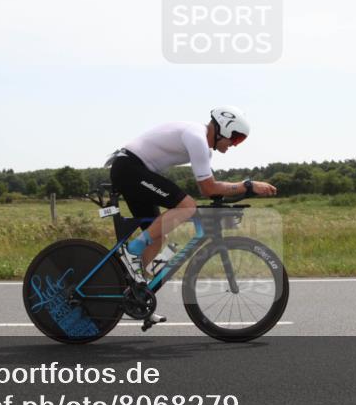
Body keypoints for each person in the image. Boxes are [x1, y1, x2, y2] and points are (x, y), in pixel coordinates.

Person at [106, 106, 278, 298]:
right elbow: (208, 188)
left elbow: (211, 189)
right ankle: (132, 251)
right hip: (130, 168)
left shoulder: (201, 144)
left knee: (158, 236)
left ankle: (136, 293)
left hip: (132, 169)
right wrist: (248, 185)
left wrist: (242, 190)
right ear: (225, 128)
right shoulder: (196, 137)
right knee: (187, 206)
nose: (235, 144)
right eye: (236, 138)